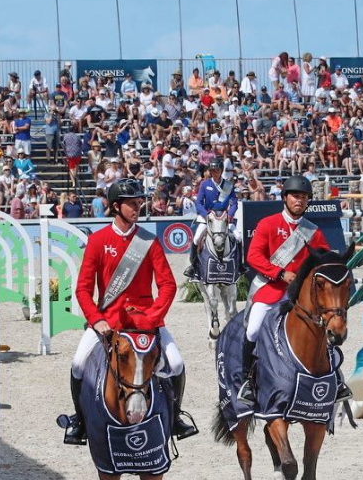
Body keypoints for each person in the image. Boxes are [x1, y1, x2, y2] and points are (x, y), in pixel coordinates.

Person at [64, 178, 195, 444]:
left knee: (177, 362)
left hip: (146, 319)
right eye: (131, 204)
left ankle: (176, 418)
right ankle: (79, 421)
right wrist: (97, 320)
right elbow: (83, 290)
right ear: (115, 207)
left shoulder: (148, 241)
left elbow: (168, 284)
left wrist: (154, 316)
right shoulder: (98, 241)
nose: (137, 208)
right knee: (78, 364)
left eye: (139, 203)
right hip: (108, 320)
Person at [237, 175, 351, 406]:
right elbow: (253, 256)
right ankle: (248, 381)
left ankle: (336, 379)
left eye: (304, 197)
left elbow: (325, 262)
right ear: (285, 198)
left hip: (302, 295)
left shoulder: (314, 232)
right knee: (253, 329)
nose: (299, 200)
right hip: (271, 288)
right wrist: (279, 273)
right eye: (295, 196)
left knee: (325, 328)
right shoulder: (267, 224)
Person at [184, 158, 238, 280]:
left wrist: (230, 215)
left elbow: (234, 203)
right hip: (209, 216)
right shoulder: (205, 184)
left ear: (221, 170)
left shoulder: (228, 185)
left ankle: (239, 265)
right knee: (197, 238)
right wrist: (205, 215)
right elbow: (198, 203)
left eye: (217, 170)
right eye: (212, 170)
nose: (214, 172)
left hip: (224, 216)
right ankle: (193, 267)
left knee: (238, 237)